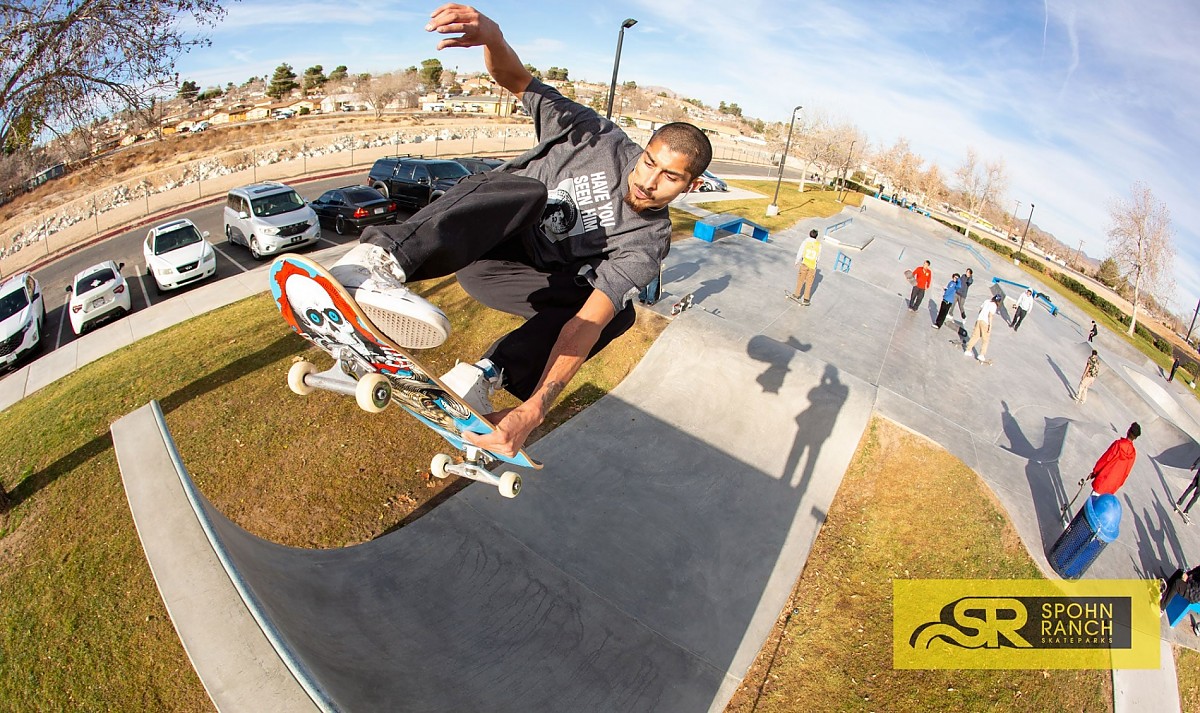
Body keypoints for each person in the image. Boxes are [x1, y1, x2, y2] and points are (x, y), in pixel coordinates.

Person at [329, 4, 712, 457]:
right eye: (649, 162)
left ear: (693, 184)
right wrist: (493, 38)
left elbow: (583, 327)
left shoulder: (647, 242)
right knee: (528, 191)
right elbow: (517, 80)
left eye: (669, 177)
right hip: (484, 238)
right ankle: (382, 262)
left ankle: (486, 376)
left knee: (614, 312)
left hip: (512, 280)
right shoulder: (594, 137)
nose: (647, 181)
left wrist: (533, 410)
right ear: (643, 148)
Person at [1086, 422, 1141, 496]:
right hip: (1113, 485)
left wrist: (1095, 472)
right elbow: (1126, 472)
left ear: (1128, 431)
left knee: (1091, 504)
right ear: (1135, 437)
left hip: (1103, 479)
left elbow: (1106, 459)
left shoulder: (1118, 444)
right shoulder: (1133, 454)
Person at [963, 293, 1003, 362]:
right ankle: (981, 355)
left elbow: (980, 310)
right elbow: (990, 315)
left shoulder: (987, 301)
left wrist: (980, 317)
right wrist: (990, 326)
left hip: (979, 320)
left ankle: (968, 350)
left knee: (975, 336)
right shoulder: (994, 306)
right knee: (985, 340)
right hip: (985, 322)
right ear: (998, 301)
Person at [791, 229, 821, 306]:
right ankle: (806, 299)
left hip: (805, 263)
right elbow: (818, 257)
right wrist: (815, 264)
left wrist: (797, 261)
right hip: (812, 266)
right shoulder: (819, 245)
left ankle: (797, 295)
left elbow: (800, 252)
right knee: (809, 283)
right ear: (816, 236)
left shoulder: (805, 242)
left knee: (800, 280)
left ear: (809, 234)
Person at [1175, 455, 1200, 523]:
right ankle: (1186, 511)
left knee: (1190, 488)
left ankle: (1179, 502)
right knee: (1196, 496)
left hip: (1198, 474)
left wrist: (1194, 464)